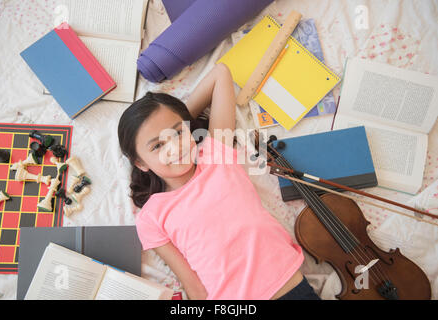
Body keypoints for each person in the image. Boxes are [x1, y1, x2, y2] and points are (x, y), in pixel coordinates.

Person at [117, 63, 320, 300]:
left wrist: (173, 117)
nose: (174, 147)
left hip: (289, 290)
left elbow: (220, 73)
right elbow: (193, 286)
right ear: (140, 163)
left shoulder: (215, 155)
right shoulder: (151, 217)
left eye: (178, 133)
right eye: (158, 145)